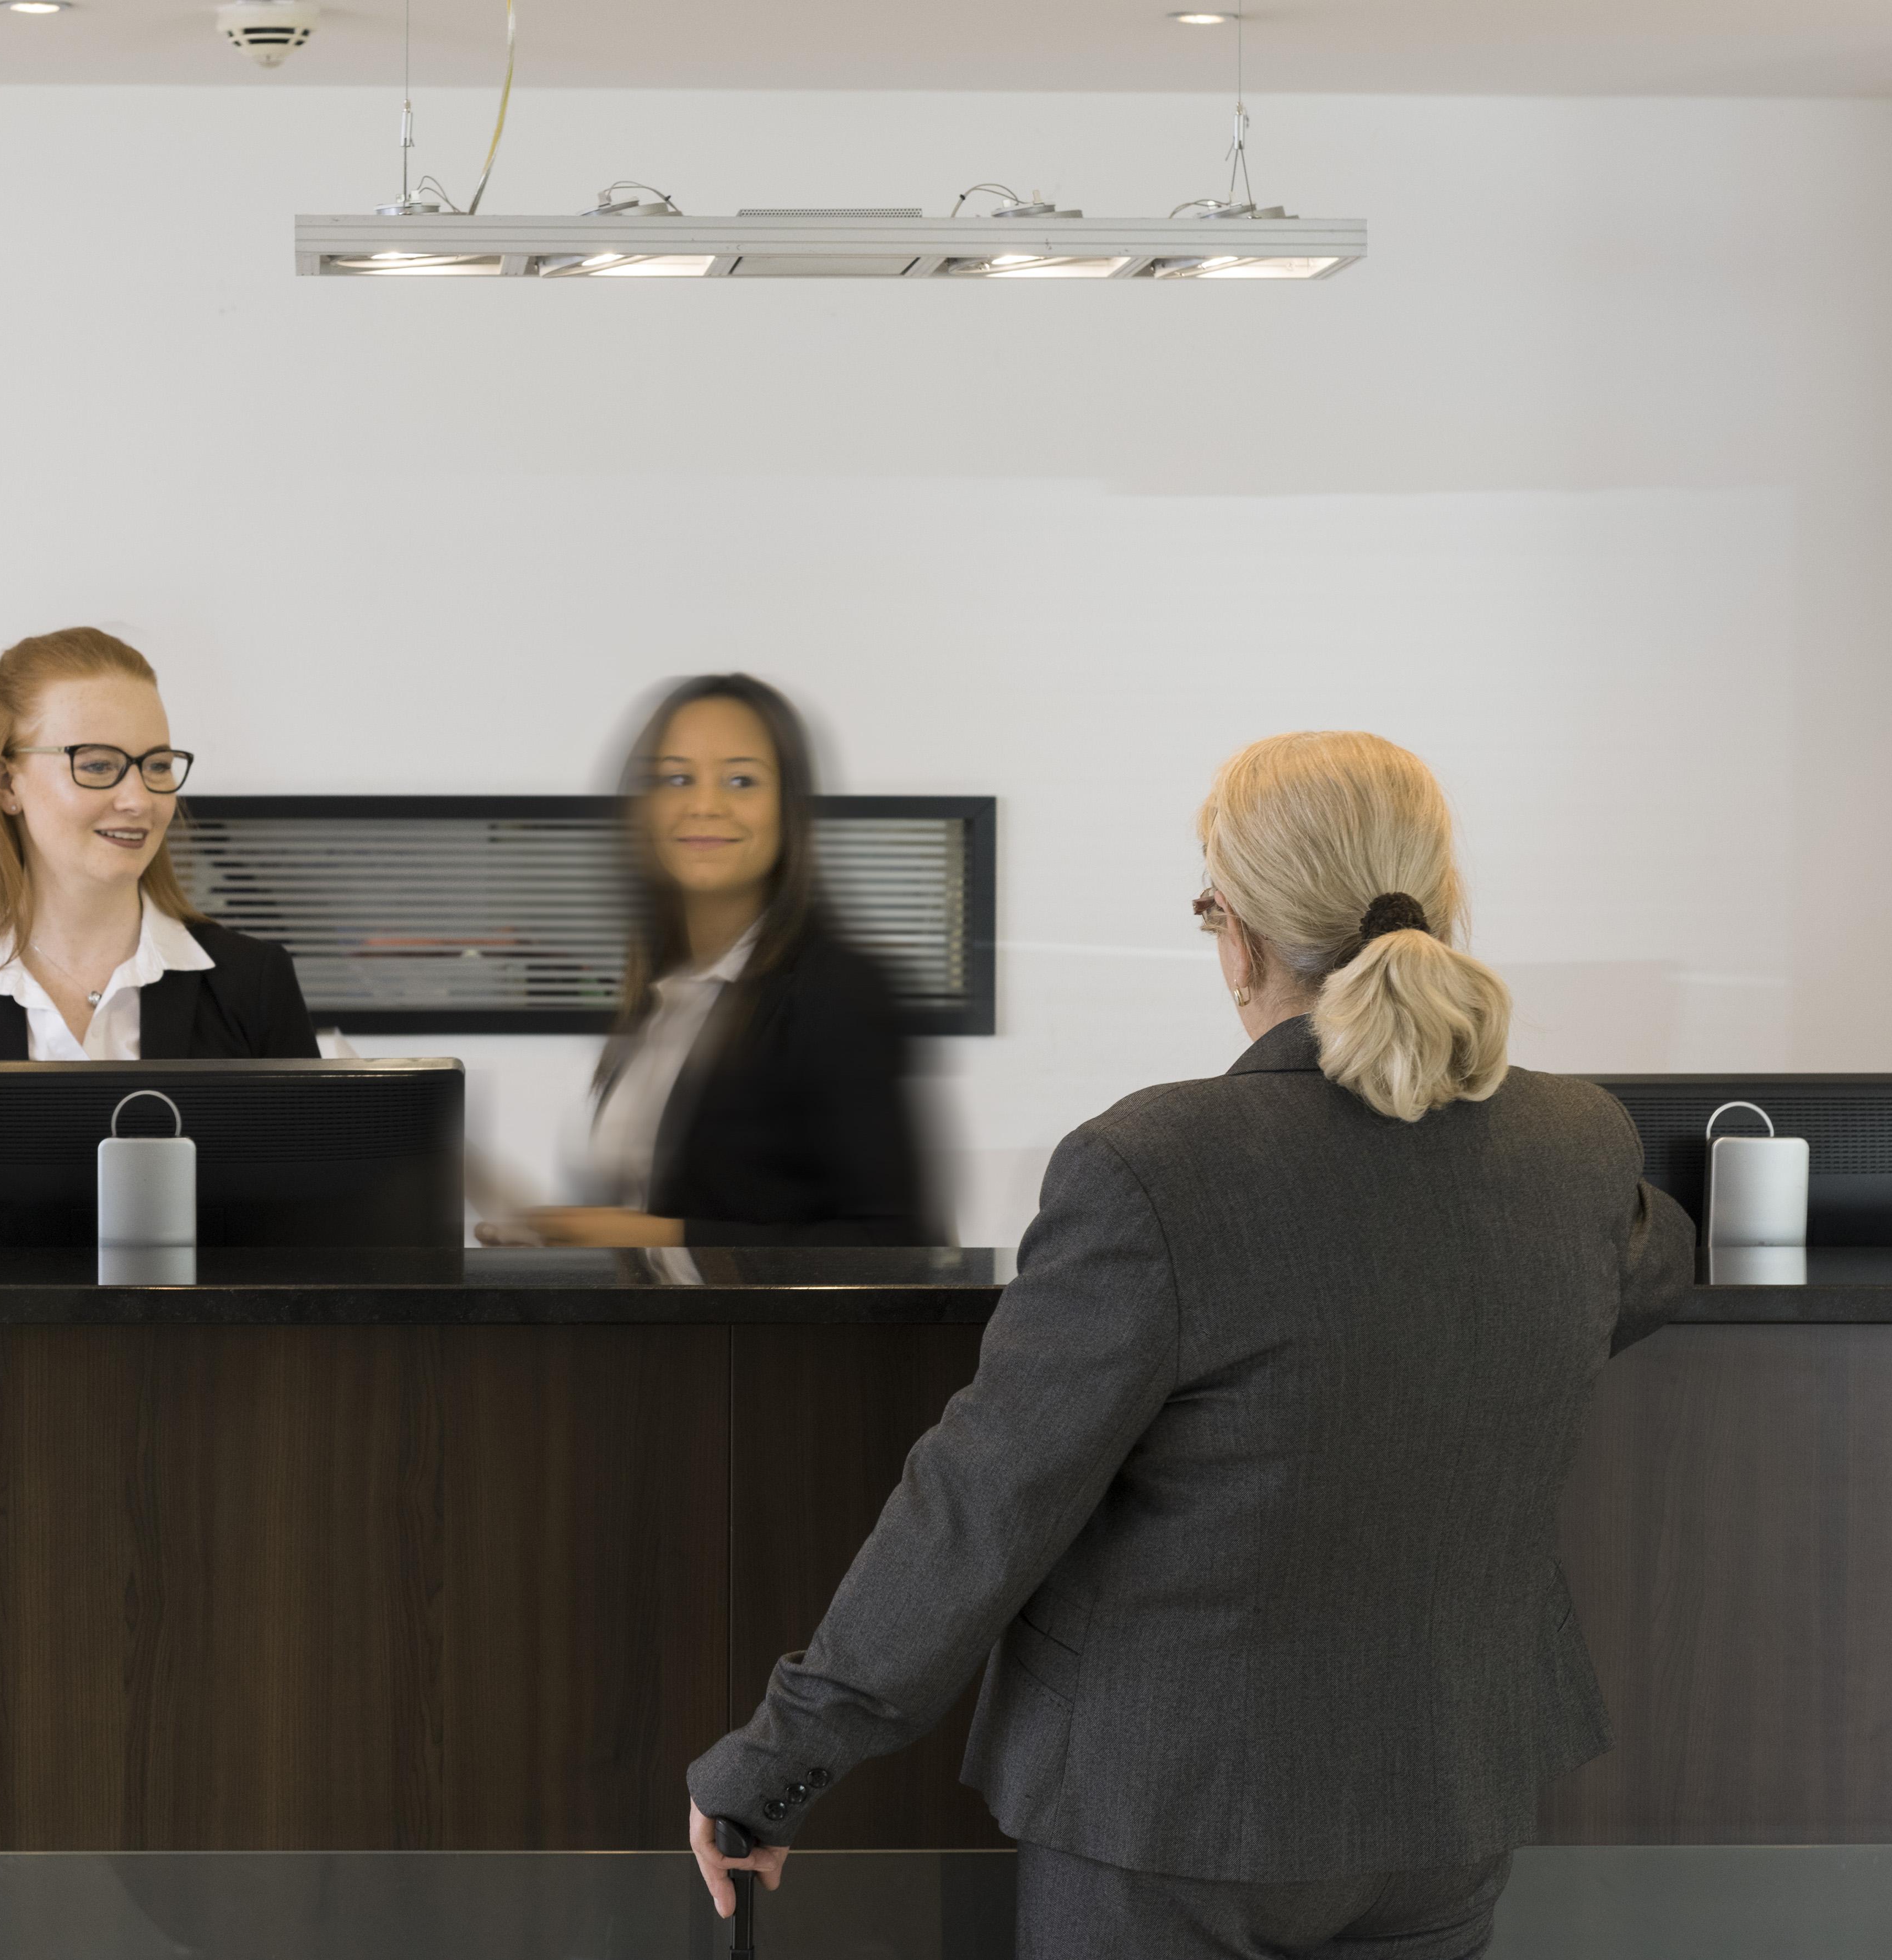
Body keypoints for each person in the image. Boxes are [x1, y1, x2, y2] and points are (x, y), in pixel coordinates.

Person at [684, 730, 1694, 1960]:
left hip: (1169, 1812)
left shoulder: (1151, 1166)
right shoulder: (1579, 1144)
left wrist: (777, 1758)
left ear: (1241, 933)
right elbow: (1651, 1263)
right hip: (1441, 1801)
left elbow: (982, 1504)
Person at [509, 672, 936, 1248]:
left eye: (741, 780)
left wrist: (649, 1236)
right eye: (676, 778)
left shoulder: (837, 990)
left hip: (771, 1342)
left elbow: (901, 1244)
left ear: (787, 810)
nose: (704, 805)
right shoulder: (667, 994)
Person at [0, 627, 315, 1061]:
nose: (139, 800)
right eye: (99, 765)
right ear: (7, 784)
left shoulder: (253, 984)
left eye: (158, 765)